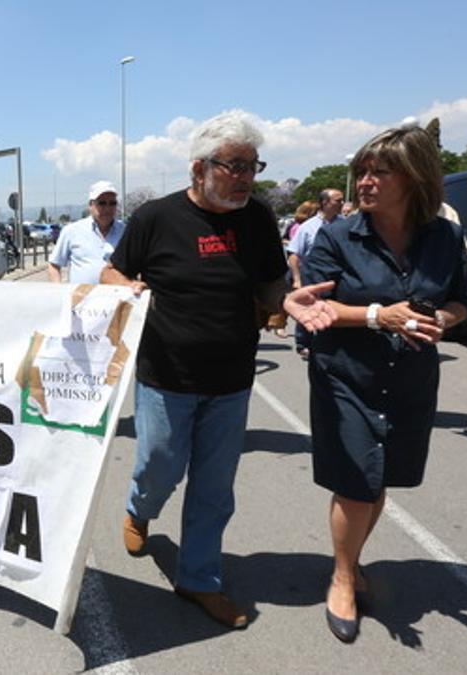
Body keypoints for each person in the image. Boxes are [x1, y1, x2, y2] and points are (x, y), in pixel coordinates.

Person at [101, 110, 336, 630]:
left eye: (253, 167)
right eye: (235, 166)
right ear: (198, 169)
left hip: (231, 379)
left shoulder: (254, 220)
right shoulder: (155, 218)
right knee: (160, 464)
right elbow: (112, 268)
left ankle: (198, 578)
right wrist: (123, 285)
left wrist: (286, 303)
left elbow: (272, 283)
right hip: (165, 375)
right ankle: (140, 508)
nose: (247, 178)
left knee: (214, 487)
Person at [301, 125, 467, 643]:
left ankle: (351, 564)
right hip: (347, 376)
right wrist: (379, 315)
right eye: (362, 172)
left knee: (380, 480)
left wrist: (443, 320)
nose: (365, 182)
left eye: (380, 171)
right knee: (356, 484)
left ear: (414, 176)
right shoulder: (337, 235)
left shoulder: (445, 236)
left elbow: (463, 299)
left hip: (411, 378)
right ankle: (342, 578)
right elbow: (317, 306)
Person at [287, 189, 345, 358]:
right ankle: (303, 342)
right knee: (308, 308)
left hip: (336, 277)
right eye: (337, 200)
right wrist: (297, 279)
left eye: (342, 201)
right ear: (325, 203)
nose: (342, 204)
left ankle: (329, 342)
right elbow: (294, 254)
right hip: (312, 275)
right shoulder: (308, 227)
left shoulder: (345, 225)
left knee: (330, 310)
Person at [46, 181, 125, 284]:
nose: (107, 208)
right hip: (82, 298)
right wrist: (59, 291)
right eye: (102, 203)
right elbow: (54, 264)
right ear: (90, 205)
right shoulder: (72, 231)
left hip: (118, 297)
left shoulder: (126, 232)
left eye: (112, 203)